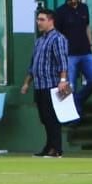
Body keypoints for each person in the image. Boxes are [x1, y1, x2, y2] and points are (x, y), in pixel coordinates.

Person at [20, 9, 70, 158]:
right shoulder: (40, 40)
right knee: (44, 118)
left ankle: (56, 148)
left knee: (52, 117)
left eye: (42, 20)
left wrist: (63, 81)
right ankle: (49, 146)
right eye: (38, 20)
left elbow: (63, 61)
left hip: (53, 85)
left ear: (50, 20)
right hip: (40, 85)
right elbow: (33, 64)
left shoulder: (58, 39)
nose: (39, 23)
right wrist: (26, 83)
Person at [52, 0, 92, 118]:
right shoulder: (60, 11)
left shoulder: (84, 8)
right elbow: (57, 34)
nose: (73, 2)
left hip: (85, 51)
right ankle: (68, 116)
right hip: (69, 54)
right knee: (67, 86)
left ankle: (77, 101)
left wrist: (91, 44)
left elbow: (87, 26)